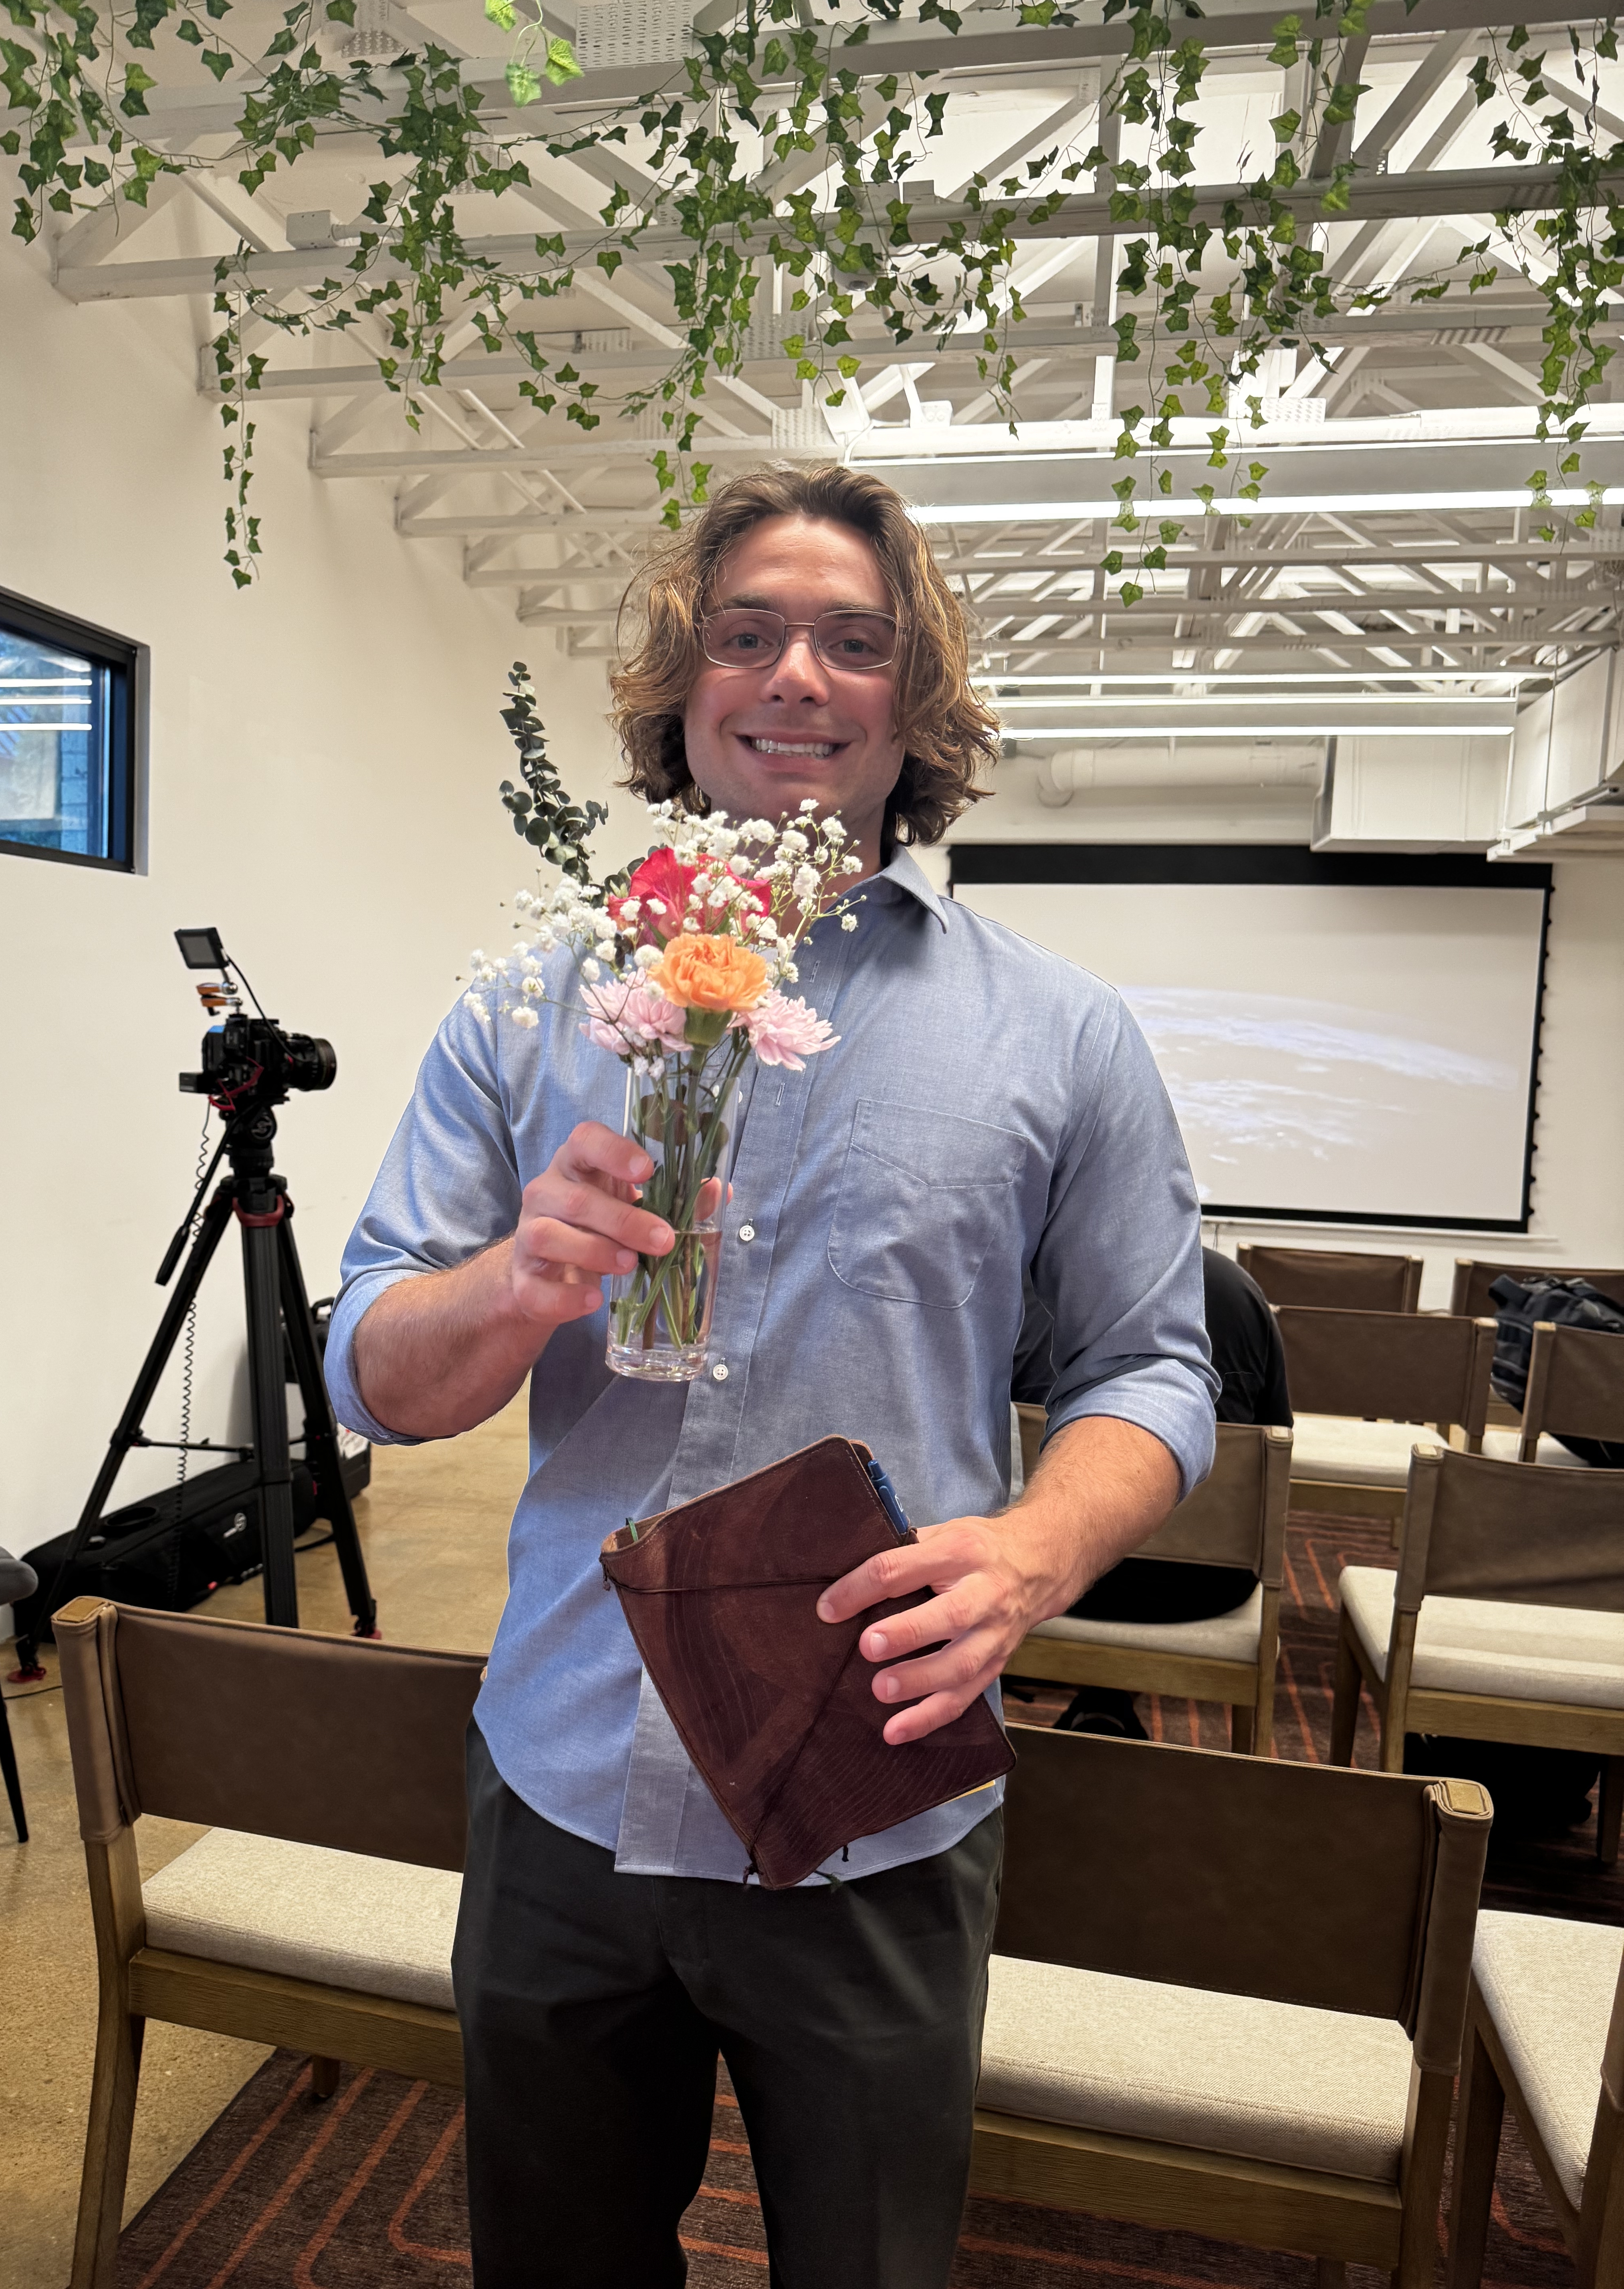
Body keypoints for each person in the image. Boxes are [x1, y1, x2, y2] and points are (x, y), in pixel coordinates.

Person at [323, 465, 1219, 2289]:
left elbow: (1153, 1368)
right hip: (564, 1776)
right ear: (684, 691)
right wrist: (514, 1285)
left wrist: (1036, 1550)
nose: (796, 675)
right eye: (746, 636)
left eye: (853, 643)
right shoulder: (527, 1009)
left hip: (868, 1784)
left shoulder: (1060, 1035)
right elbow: (373, 1375)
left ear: (916, 705)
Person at [1011, 1248, 1291, 1735]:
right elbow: (1274, 1454)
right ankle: (1109, 1699)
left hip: (1052, 1575)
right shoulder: (1237, 1290)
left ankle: (1098, 1697)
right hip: (1202, 1588)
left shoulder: (1027, 1293)